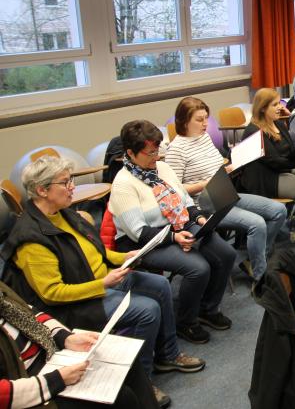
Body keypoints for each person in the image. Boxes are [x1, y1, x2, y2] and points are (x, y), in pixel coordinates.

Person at [1, 155, 204, 407]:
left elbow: (95, 250)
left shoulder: (63, 213)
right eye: (65, 183)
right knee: (146, 311)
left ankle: (168, 354)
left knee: (160, 286)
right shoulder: (31, 239)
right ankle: (142, 376)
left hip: (100, 280)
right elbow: (51, 294)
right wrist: (104, 283)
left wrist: (125, 256)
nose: (72, 187)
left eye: (70, 180)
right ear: (42, 190)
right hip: (77, 301)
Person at [110, 120, 236, 345]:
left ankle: (206, 309)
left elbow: (185, 200)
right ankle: (185, 321)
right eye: (149, 153)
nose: (155, 157)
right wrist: (175, 238)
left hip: (180, 226)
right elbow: (139, 232)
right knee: (198, 268)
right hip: (146, 243)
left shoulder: (163, 168)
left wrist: (198, 217)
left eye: (157, 150)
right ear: (130, 153)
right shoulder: (123, 184)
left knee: (226, 254)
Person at [164, 97, 287, 283]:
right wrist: (207, 183)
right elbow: (175, 190)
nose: (205, 123)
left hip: (225, 193)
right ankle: (261, 276)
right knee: (257, 224)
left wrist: (230, 168)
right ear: (184, 121)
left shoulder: (204, 138)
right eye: (199, 120)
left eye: (206, 118)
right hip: (205, 203)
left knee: (279, 211)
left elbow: (216, 167)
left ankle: (255, 260)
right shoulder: (176, 150)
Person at [0, 281, 160, 409]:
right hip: (33, 385)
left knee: (129, 363)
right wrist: (56, 380)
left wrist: (65, 337)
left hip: (50, 357)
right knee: (121, 397)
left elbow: (30, 313)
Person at [237, 88, 295, 225]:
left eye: (279, 103)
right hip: (268, 177)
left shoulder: (279, 124)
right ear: (262, 108)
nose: (280, 107)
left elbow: (291, 152)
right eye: (274, 105)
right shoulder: (254, 131)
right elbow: (274, 162)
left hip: (285, 168)